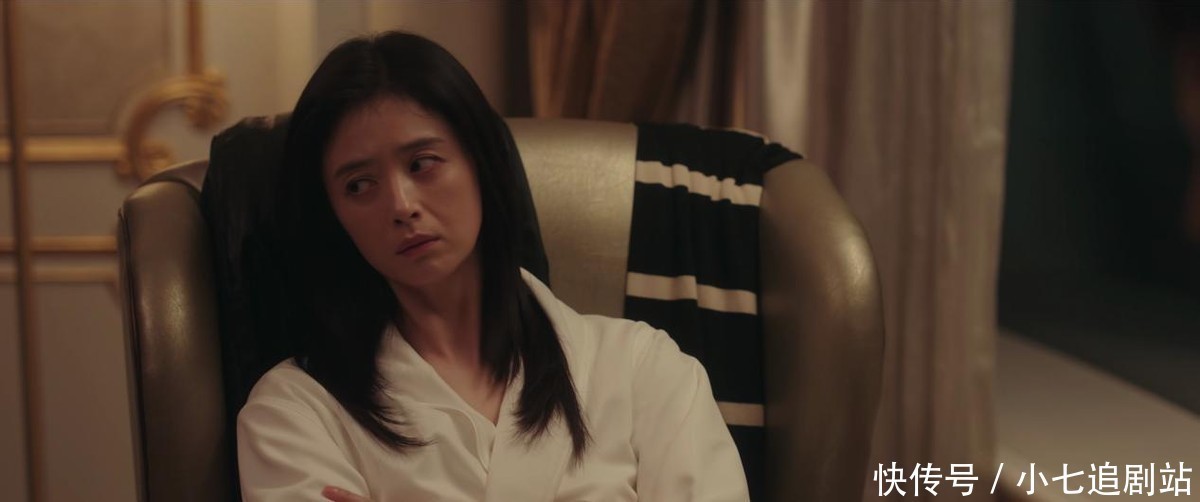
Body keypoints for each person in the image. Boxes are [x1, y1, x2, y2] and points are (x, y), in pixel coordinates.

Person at [235, 31, 748, 502]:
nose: (401, 205)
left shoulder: (642, 368)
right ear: (332, 216)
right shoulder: (295, 413)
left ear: (482, 162)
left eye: (422, 164)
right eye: (359, 185)